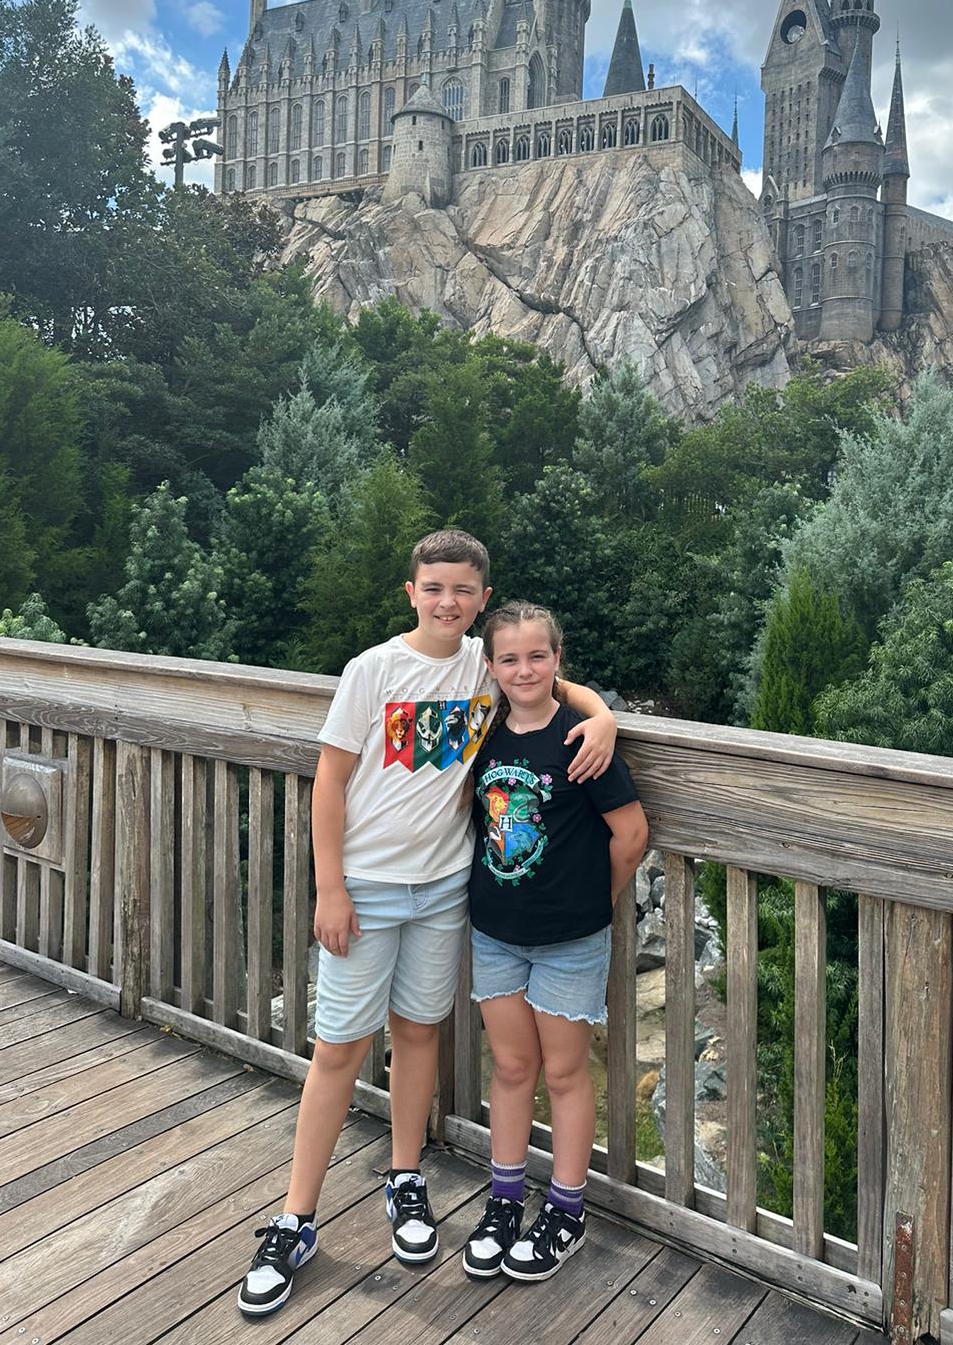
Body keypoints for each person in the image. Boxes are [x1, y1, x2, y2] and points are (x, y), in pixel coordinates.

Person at [238, 531, 617, 1318]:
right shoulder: (372, 671)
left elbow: (549, 678)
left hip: (446, 888)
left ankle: (405, 1179)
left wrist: (603, 714)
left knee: (418, 1034)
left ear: (482, 598)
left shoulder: (484, 663)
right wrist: (330, 887)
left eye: (463, 590)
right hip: (369, 889)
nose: (448, 601)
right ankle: (296, 1219)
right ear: (411, 591)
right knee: (339, 1046)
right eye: (434, 586)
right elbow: (330, 782)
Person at [461, 601, 647, 1284]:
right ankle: (505, 1200)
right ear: (491, 668)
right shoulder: (483, 734)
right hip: (497, 934)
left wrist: (590, 905)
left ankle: (567, 1209)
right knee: (511, 1069)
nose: (524, 669)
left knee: (565, 1074)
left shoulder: (582, 740)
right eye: (508, 658)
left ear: (557, 661)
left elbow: (631, 836)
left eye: (537, 656)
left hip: (569, 938)